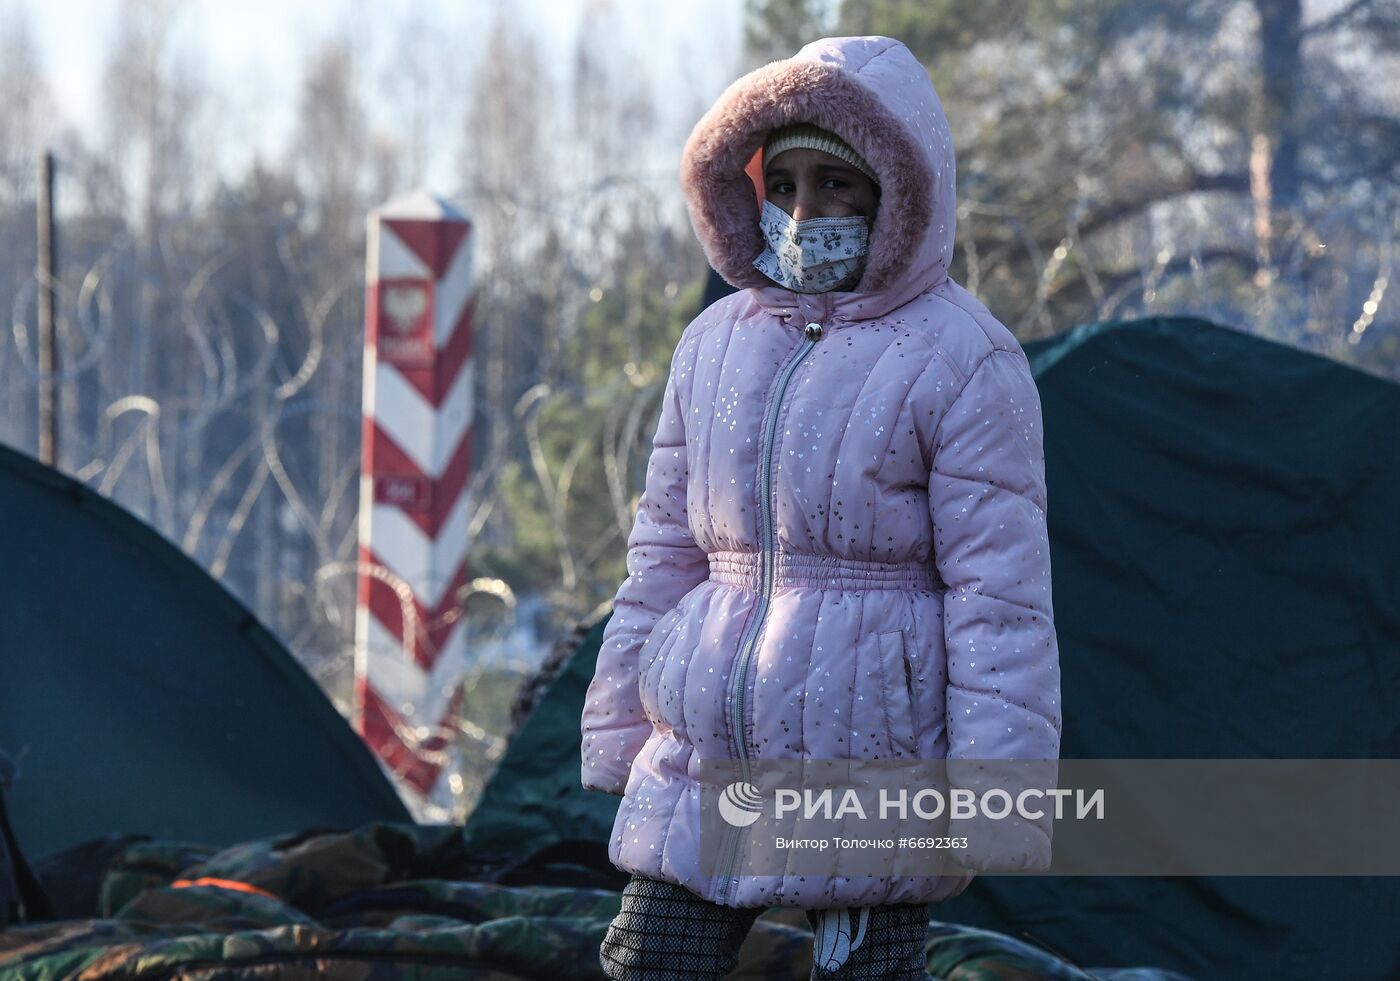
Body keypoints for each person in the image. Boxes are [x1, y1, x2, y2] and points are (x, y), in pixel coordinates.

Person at [581, 35, 1062, 980]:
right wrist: (615, 725)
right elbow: (663, 552)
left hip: (872, 757)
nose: (802, 214)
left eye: (835, 185)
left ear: (897, 194)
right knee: (649, 964)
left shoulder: (965, 359)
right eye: (783, 184)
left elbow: (1000, 598)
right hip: (703, 753)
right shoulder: (712, 345)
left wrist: (996, 795)